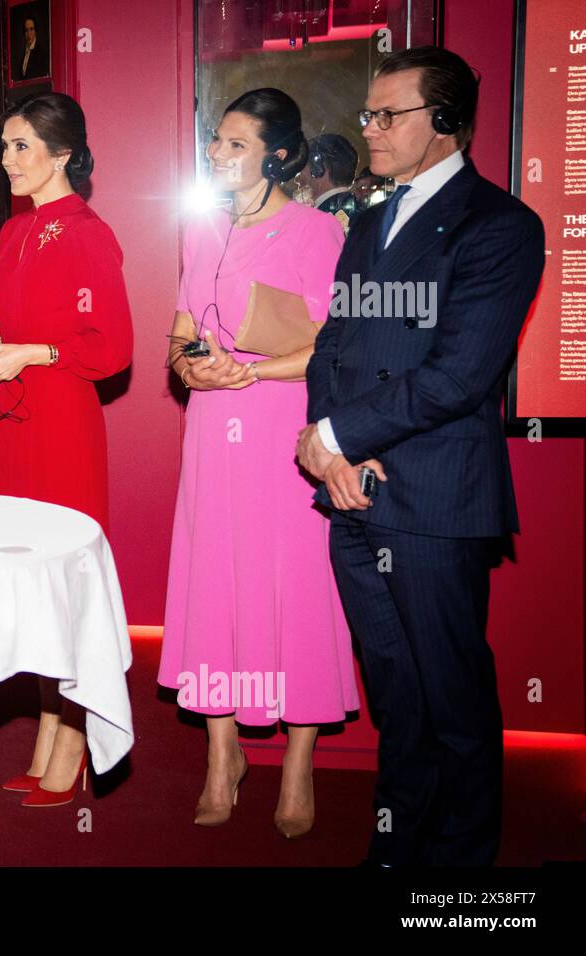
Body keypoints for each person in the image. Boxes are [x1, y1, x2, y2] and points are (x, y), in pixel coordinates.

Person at [299, 46, 545, 866]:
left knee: (453, 702)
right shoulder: (367, 220)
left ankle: (463, 875)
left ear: (444, 124)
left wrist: (337, 438)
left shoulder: (502, 226)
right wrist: (328, 455)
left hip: (434, 500)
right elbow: (334, 345)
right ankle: (398, 846)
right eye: (366, 114)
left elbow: (458, 378)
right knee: (396, 697)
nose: (367, 129)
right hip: (353, 494)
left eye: (386, 114)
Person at [158, 88, 357, 838]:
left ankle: (298, 766)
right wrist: (189, 368)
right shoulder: (200, 231)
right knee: (216, 578)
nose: (217, 154)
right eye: (216, 141)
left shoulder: (316, 231)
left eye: (235, 144)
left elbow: (332, 345)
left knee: (294, 584)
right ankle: (223, 755)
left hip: (282, 429)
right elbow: (180, 335)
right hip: (212, 431)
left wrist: (252, 374)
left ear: (276, 156)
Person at [0, 92, 132, 806]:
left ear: (64, 153)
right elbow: (4, 317)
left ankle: (74, 748)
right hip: (14, 425)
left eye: (22, 146)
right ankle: (45, 737)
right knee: (31, 588)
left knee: (63, 590)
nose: (7, 161)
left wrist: (31, 351)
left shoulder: (90, 233)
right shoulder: (16, 232)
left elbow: (112, 348)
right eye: (4, 147)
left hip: (63, 425)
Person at [294, 133, 361, 231]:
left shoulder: (322, 219)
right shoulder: (354, 210)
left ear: (318, 169)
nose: (297, 179)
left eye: (303, 167)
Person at [16, 15, 47, 81]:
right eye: (26, 30)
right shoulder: (25, 53)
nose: (29, 33)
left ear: (35, 31)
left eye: (31, 29)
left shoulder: (41, 52)